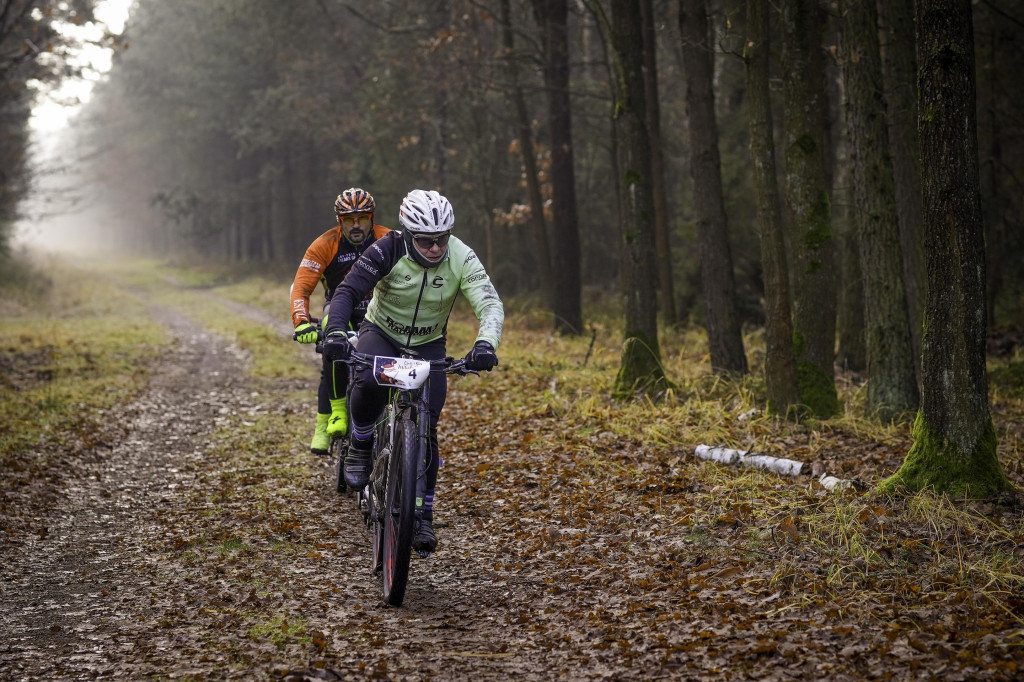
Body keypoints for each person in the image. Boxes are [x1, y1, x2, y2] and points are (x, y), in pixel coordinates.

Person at [323, 189, 503, 552]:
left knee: (427, 427)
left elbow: (489, 303)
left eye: (441, 240)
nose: (435, 248)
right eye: (425, 241)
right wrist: (337, 330)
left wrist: (486, 344)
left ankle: (422, 515)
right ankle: (360, 443)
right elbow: (346, 291)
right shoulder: (386, 249)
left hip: (428, 345)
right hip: (383, 334)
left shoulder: (461, 256)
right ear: (407, 234)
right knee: (370, 381)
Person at [290, 188, 390, 455]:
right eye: (348, 220)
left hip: (380, 312)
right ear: (339, 221)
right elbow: (300, 287)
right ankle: (332, 417)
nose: (356, 225)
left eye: (362, 218)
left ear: (372, 218)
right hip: (340, 311)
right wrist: (301, 322)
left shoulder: (388, 239)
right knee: (330, 339)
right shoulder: (325, 244)